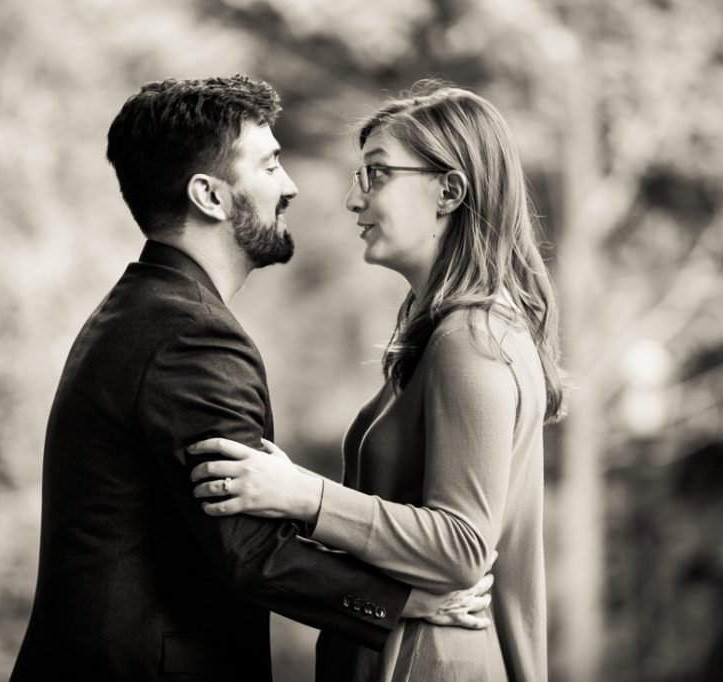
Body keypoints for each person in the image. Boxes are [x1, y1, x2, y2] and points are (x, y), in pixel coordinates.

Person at [10, 76, 492, 682]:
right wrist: (404, 605)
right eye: (268, 165)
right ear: (210, 196)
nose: (288, 186)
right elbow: (250, 551)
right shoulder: (192, 338)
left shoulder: (138, 313)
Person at [188, 81, 567, 681]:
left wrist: (301, 494)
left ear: (449, 190)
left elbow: (462, 548)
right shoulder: (451, 332)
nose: (353, 200)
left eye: (377, 174)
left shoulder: (471, 339)